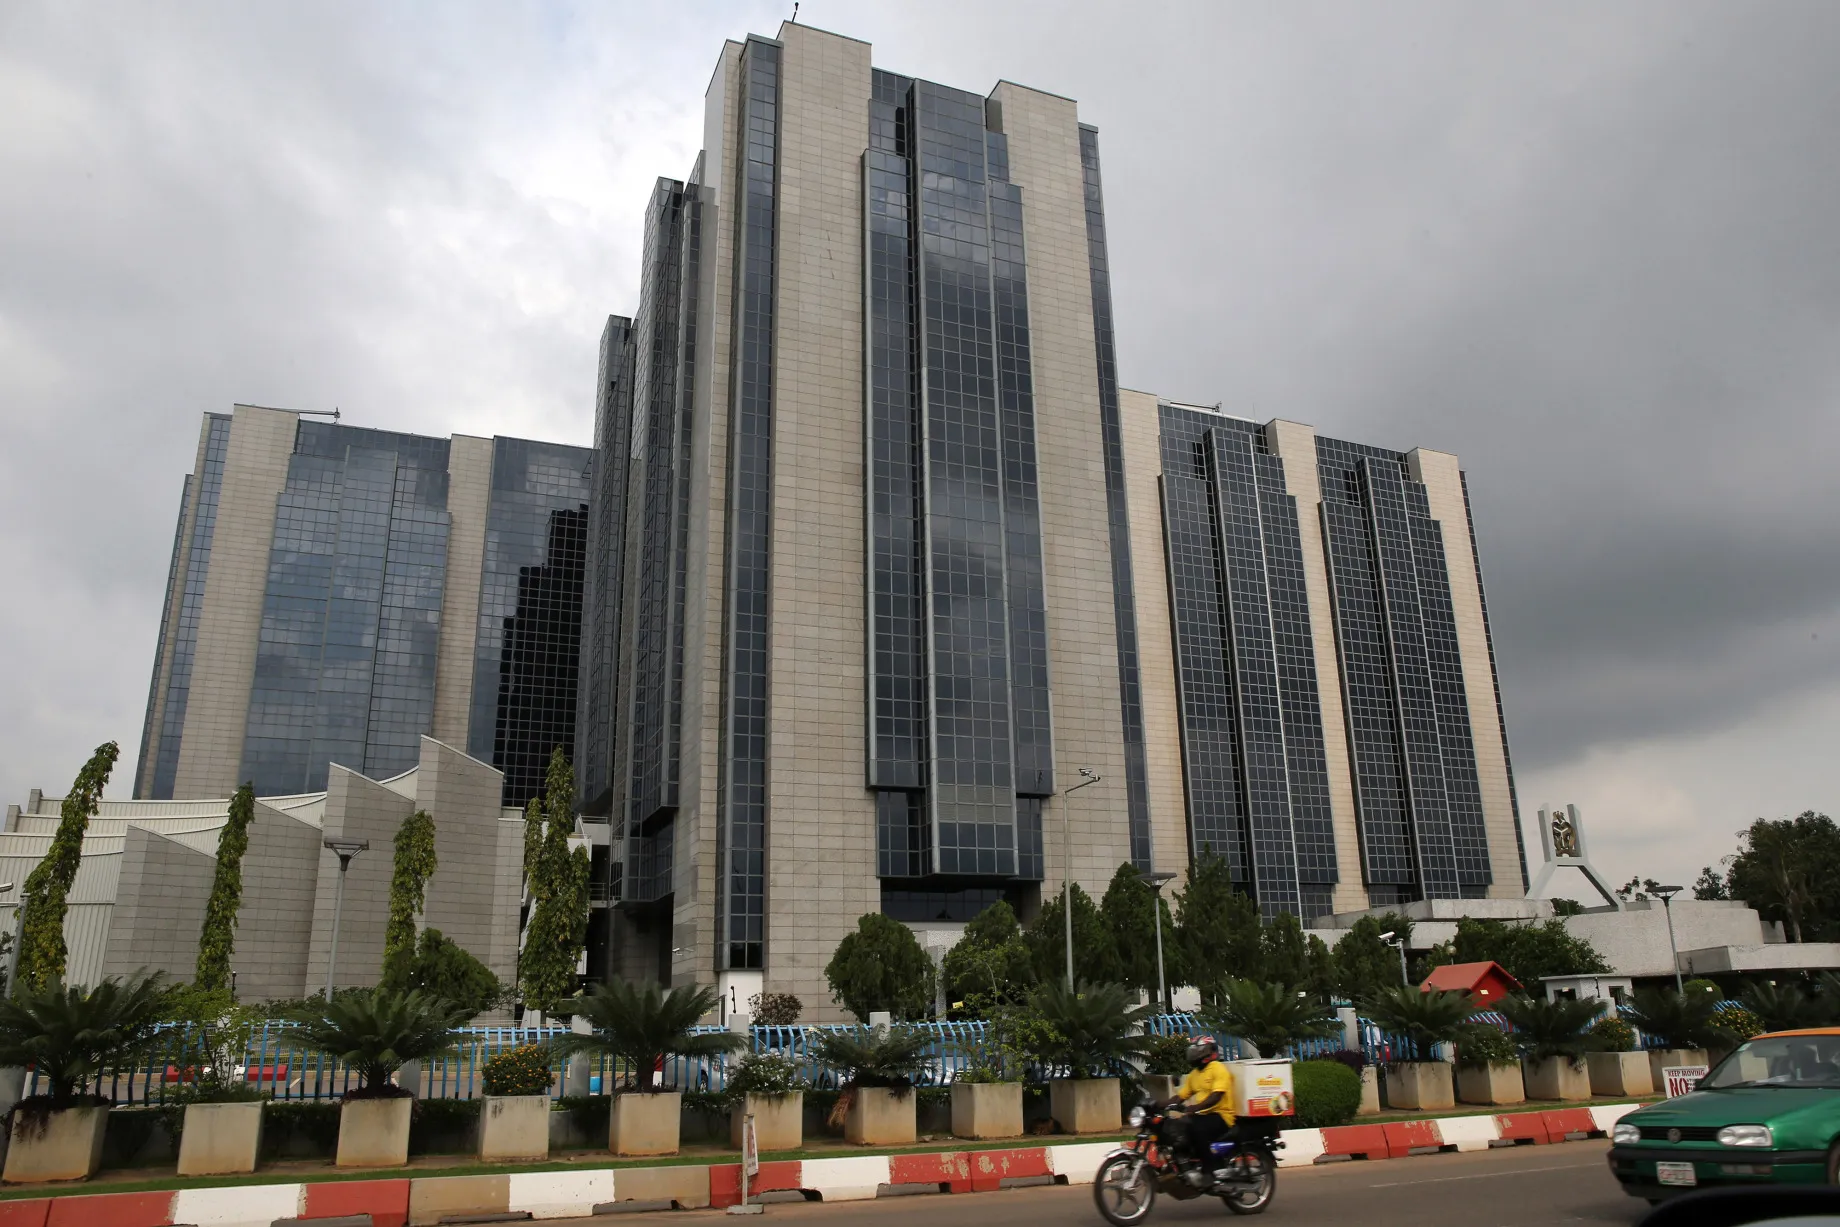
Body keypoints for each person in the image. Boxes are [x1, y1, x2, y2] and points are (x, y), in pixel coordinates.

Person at [1164, 1036, 1236, 1183]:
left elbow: (1216, 1096)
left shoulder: (1218, 1069)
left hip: (1221, 1115)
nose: (1195, 1054)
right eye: (1193, 1051)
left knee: (1197, 1128)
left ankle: (1209, 1171)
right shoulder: (1194, 1074)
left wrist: (1194, 1108)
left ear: (1209, 1052)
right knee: (1178, 1126)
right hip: (1203, 1114)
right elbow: (1181, 1096)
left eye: (1198, 1051)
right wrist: (1157, 1104)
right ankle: (1187, 1164)